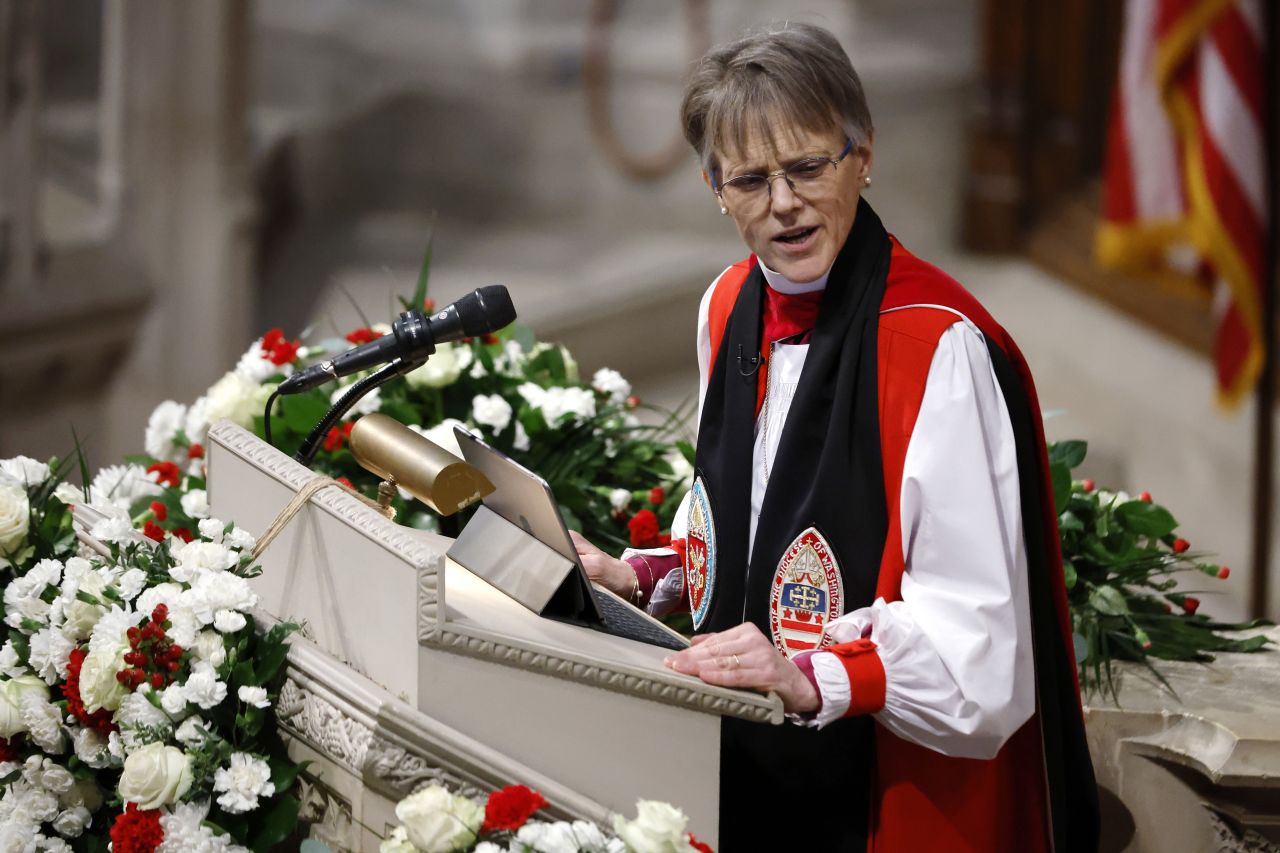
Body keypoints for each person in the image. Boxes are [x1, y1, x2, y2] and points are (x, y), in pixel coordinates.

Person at [571, 22, 1098, 852]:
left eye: (808, 166)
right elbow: (750, 530)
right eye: (749, 178)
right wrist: (638, 574)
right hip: (730, 764)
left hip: (882, 791)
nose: (782, 204)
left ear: (864, 154)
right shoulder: (726, 304)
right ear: (715, 187)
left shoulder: (937, 348)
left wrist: (809, 677)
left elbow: (980, 647)